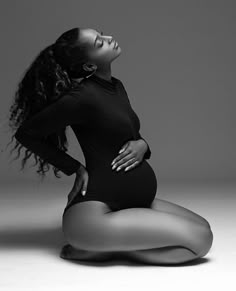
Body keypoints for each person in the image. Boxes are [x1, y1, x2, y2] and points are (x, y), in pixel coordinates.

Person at [10, 27, 213, 265]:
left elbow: (127, 136)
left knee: (203, 227)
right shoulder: (81, 97)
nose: (108, 39)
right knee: (201, 241)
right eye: (99, 43)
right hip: (93, 217)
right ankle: (103, 247)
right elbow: (27, 134)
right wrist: (74, 168)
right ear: (89, 66)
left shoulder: (116, 86)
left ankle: (107, 248)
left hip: (128, 205)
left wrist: (143, 144)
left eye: (102, 35)